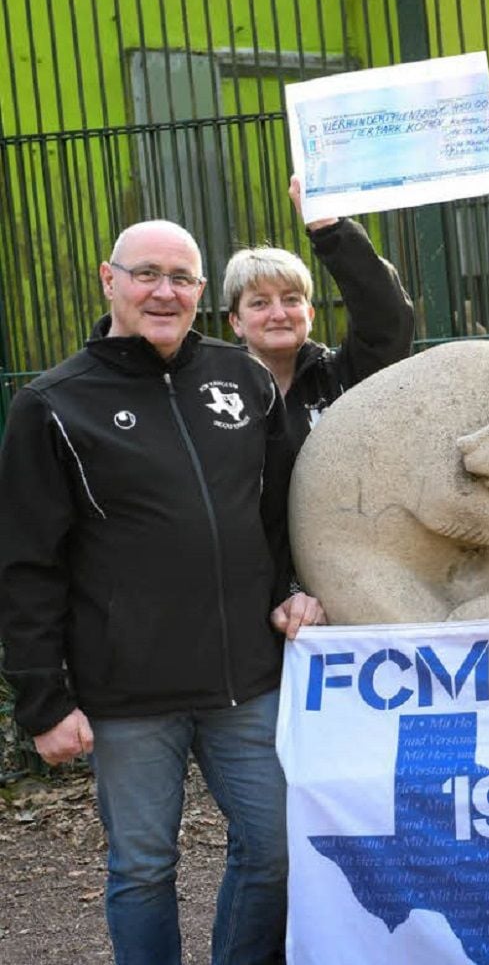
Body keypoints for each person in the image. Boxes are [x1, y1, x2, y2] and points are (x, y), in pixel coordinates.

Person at [0, 220, 326, 965]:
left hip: (246, 680)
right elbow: (25, 564)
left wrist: (299, 587)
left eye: (181, 278)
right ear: (108, 280)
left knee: (276, 850)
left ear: (201, 292)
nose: (163, 292)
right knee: (144, 869)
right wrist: (43, 700)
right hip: (128, 693)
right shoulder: (53, 405)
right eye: (146, 274)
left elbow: (283, 512)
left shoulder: (244, 380)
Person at [225, 177, 414, 452]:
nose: (278, 314)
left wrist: (329, 230)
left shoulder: (342, 377)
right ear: (236, 322)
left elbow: (386, 318)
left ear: (310, 314)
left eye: (291, 300)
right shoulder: (216, 390)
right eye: (260, 303)